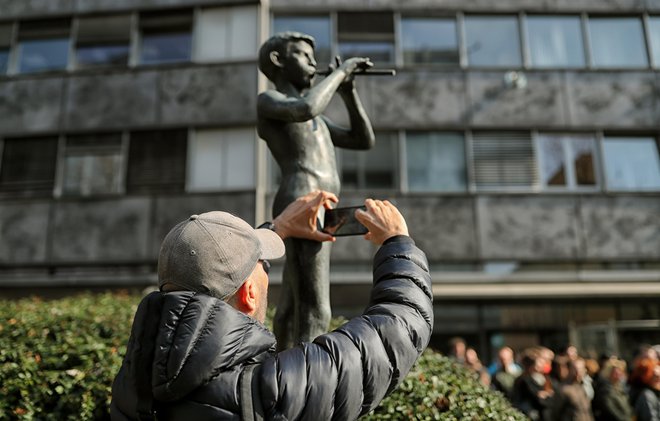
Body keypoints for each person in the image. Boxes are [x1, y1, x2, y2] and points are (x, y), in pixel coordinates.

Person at [110, 191, 433, 421]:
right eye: (261, 264)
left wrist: (276, 228)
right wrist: (397, 241)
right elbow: (400, 324)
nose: (265, 268)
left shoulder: (132, 387)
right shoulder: (268, 393)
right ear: (249, 294)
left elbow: (218, 268)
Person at [257, 32, 375, 348]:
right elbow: (305, 108)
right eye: (303, 55)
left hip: (320, 204)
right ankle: (309, 383)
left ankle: (279, 370)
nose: (313, 62)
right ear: (278, 61)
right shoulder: (270, 101)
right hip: (303, 200)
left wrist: (348, 91)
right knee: (316, 306)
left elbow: (362, 139)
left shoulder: (317, 118)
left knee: (294, 303)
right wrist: (340, 73)